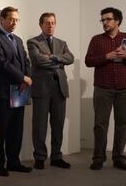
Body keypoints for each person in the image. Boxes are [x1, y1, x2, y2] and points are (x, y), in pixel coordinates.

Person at [85, 7, 126, 171]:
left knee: (123, 123)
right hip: (103, 88)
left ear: (117, 20)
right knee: (100, 124)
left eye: (108, 19)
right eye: (102, 20)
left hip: (125, 87)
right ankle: (98, 158)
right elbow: (88, 61)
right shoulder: (96, 40)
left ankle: (118, 158)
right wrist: (107, 57)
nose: (104, 22)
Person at [0, 6, 33, 177]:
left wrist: (26, 78)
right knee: (1, 130)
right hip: (3, 91)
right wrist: (22, 78)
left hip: (20, 90)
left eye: (16, 20)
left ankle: (14, 162)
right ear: (2, 20)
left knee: (16, 129)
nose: (14, 23)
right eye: (11, 19)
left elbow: (26, 61)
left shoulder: (18, 40)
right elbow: (1, 63)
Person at [27, 13, 74, 170]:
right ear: (40, 24)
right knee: (40, 125)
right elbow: (37, 60)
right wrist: (59, 61)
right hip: (42, 88)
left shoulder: (62, 43)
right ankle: (40, 157)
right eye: (47, 23)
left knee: (58, 125)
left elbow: (70, 58)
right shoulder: (33, 42)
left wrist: (53, 57)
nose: (50, 25)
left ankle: (56, 156)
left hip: (59, 88)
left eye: (53, 23)